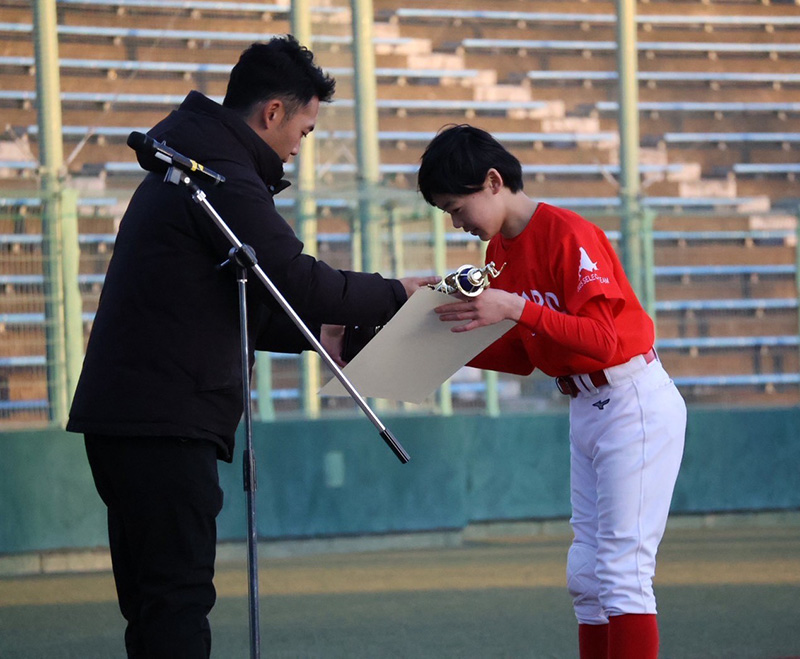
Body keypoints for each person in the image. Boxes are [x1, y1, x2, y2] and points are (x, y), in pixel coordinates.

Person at [67, 36, 435, 658]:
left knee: (157, 603)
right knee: (176, 601)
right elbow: (295, 278)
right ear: (272, 113)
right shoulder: (219, 175)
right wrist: (399, 291)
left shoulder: (195, 163)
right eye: (306, 128)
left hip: (134, 416)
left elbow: (247, 302)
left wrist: (325, 335)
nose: (301, 145)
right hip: (164, 421)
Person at [417, 125, 686, 659]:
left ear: (493, 181)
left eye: (456, 206)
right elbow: (524, 355)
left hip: (632, 395)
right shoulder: (500, 248)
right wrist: (440, 350)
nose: (455, 222)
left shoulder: (569, 233)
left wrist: (517, 307)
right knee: (586, 575)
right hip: (586, 405)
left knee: (621, 571)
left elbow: (605, 341)